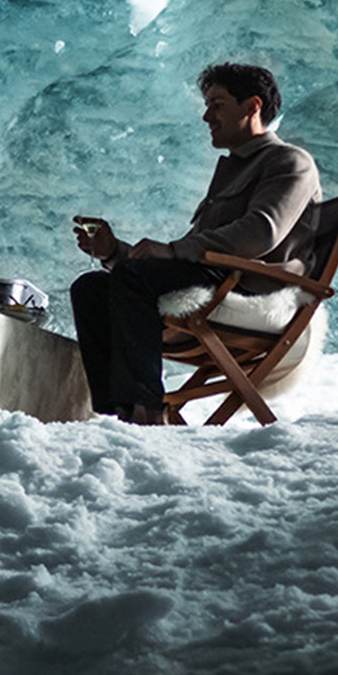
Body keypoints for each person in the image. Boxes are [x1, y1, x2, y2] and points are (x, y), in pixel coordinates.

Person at [69, 62, 321, 425]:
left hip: (250, 290)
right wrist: (113, 252)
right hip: (215, 279)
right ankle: (120, 413)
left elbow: (262, 232)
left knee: (131, 279)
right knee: (90, 287)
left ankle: (148, 412)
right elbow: (186, 258)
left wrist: (171, 251)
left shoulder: (289, 161)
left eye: (217, 104)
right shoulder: (234, 169)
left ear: (252, 106)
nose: (207, 116)